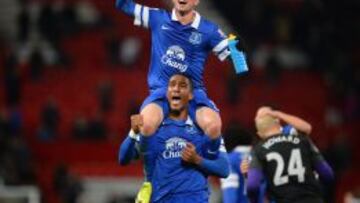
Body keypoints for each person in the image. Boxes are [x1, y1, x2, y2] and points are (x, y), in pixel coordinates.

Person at [115, 0, 247, 158]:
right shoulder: (157, 18)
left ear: (197, 1)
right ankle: (148, 172)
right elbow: (122, 5)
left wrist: (238, 50)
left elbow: (241, 65)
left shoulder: (208, 30)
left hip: (193, 93)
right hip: (161, 92)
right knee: (147, 125)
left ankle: (206, 162)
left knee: (213, 126)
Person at [119, 74, 230, 202]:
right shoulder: (153, 126)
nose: (176, 89)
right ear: (167, 93)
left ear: (190, 95)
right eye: (172, 85)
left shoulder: (204, 128)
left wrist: (197, 160)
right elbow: (123, 159)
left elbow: (224, 169)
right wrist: (133, 132)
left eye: (182, 85)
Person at [221, 107, 313, 203]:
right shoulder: (260, 149)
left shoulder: (288, 133)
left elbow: (307, 128)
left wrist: (279, 114)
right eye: (257, 118)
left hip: (300, 192)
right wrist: (247, 173)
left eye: (263, 116)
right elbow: (260, 183)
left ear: (275, 119)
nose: (259, 120)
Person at [247, 108, 334, 203]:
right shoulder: (302, 140)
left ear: (259, 133)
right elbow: (327, 174)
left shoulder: (259, 150)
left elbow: (253, 185)